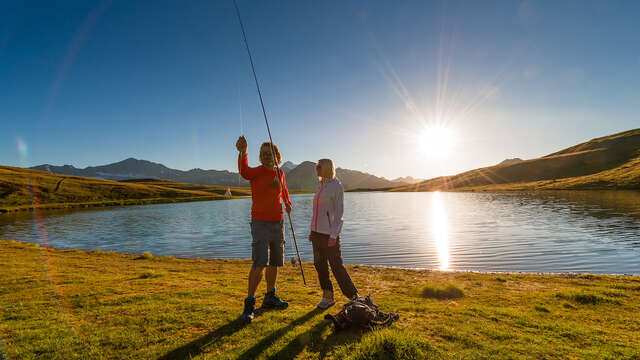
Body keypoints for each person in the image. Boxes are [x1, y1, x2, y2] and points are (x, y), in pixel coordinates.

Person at [236, 136, 293, 323]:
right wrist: (243, 151)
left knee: (275, 262)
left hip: (278, 222)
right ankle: (249, 303)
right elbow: (243, 171)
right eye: (265, 154)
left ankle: (270, 297)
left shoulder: (280, 173)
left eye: (272, 154)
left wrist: (288, 204)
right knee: (260, 262)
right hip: (260, 223)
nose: (269, 157)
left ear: (278, 156)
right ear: (260, 157)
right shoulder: (256, 172)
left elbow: (284, 191)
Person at [309, 158, 358, 309]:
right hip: (316, 233)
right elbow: (317, 212)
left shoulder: (336, 186)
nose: (316, 168)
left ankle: (353, 296)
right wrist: (312, 230)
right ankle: (328, 296)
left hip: (329, 235)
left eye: (319, 166)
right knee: (320, 265)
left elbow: (339, 213)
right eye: (316, 166)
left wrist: (333, 235)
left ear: (327, 168)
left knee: (336, 266)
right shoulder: (321, 185)